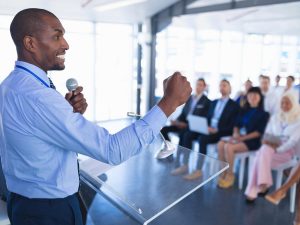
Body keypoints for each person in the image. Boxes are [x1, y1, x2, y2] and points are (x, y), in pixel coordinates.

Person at [0, 8, 192, 225]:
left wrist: (64, 113)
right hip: (49, 211)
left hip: (24, 203)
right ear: (30, 43)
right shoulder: (39, 98)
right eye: (56, 36)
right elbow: (112, 149)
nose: (65, 44)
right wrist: (168, 103)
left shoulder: (9, 85)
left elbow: (28, 129)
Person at [172, 80, 239, 180]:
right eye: (220, 85)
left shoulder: (234, 105)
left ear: (230, 88)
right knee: (187, 134)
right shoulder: (214, 102)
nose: (222, 87)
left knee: (202, 139)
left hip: (221, 132)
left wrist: (217, 130)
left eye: (224, 85)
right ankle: (185, 165)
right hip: (208, 129)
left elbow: (233, 124)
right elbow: (207, 117)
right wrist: (204, 126)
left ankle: (198, 170)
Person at [244, 91, 300, 202]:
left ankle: (254, 191)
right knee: (262, 153)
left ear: (294, 104)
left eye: (287, 103)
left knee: (259, 156)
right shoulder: (276, 117)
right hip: (270, 149)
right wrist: (268, 143)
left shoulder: (298, 120)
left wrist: (277, 149)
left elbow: (292, 142)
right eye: (282, 103)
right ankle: (263, 184)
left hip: (286, 153)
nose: (284, 106)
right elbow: (267, 134)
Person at [217, 87, 269, 188]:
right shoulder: (243, 110)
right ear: (247, 97)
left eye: (255, 95)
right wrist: (236, 133)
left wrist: (241, 138)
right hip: (239, 138)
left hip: (252, 141)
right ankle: (223, 172)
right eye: (250, 95)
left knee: (229, 147)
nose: (252, 97)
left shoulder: (264, 114)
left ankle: (230, 174)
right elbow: (236, 125)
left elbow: (258, 133)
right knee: (220, 144)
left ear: (260, 97)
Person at [161, 78, 210, 145]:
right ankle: (170, 150)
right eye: (197, 84)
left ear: (204, 87)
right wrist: (177, 121)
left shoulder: (207, 101)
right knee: (164, 130)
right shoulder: (190, 98)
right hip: (182, 123)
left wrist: (187, 125)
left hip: (192, 126)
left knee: (184, 133)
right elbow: (184, 112)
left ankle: (183, 154)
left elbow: (202, 118)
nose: (197, 86)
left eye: (200, 85)